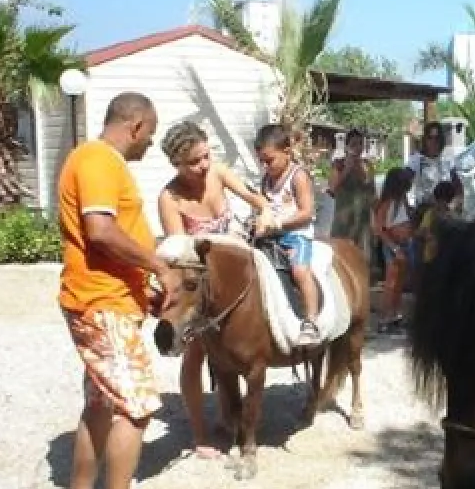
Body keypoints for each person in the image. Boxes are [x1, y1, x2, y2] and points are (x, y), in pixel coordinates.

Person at [56, 92, 180, 489]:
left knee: (102, 402)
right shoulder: (99, 161)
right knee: (137, 402)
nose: (150, 144)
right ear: (135, 124)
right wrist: (159, 267)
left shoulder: (95, 161)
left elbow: (105, 244)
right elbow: (101, 231)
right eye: (149, 134)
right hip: (100, 305)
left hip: (106, 298)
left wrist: (139, 286)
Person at [157, 121, 274, 458]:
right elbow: (180, 250)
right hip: (200, 278)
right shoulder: (170, 197)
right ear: (176, 164)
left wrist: (264, 212)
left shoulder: (219, 174)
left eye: (206, 155)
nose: (204, 165)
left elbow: (256, 199)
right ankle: (199, 433)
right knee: (195, 352)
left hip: (236, 265)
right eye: (194, 161)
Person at [253, 123, 320, 344]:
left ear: (287, 152)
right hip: (271, 235)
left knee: (300, 270)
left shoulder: (297, 176)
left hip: (296, 234)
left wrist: (278, 224)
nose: (265, 166)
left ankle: (311, 319)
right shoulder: (266, 180)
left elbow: (307, 212)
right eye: (262, 161)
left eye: (269, 160)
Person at [373, 168, 414, 333]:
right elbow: (379, 229)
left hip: (404, 244)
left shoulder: (402, 200)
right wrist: (394, 247)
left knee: (399, 283)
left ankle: (396, 314)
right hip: (393, 245)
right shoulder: (387, 202)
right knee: (390, 283)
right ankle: (385, 317)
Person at [328, 128, 376, 264]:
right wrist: (346, 170)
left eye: (360, 144)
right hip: (343, 220)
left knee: (363, 261)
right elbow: (332, 189)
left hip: (362, 222)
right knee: (341, 259)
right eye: (354, 144)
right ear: (347, 146)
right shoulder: (338, 164)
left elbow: (372, 193)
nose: (357, 147)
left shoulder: (368, 165)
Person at [405, 121, 463, 218]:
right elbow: (400, 186)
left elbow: (459, 188)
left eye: (437, 138)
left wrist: (455, 206)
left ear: (441, 140)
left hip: (446, 212)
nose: (433, 141)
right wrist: (407, 210)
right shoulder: (416, 160)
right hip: (424, 211)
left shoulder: (448, 159)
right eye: (430, 137)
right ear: (425, 139)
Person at [417, 180, 457, 264]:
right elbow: (421, 231)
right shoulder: (433, 213)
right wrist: (429, 236)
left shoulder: (449, 214)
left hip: (442, 258)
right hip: (433, 257)